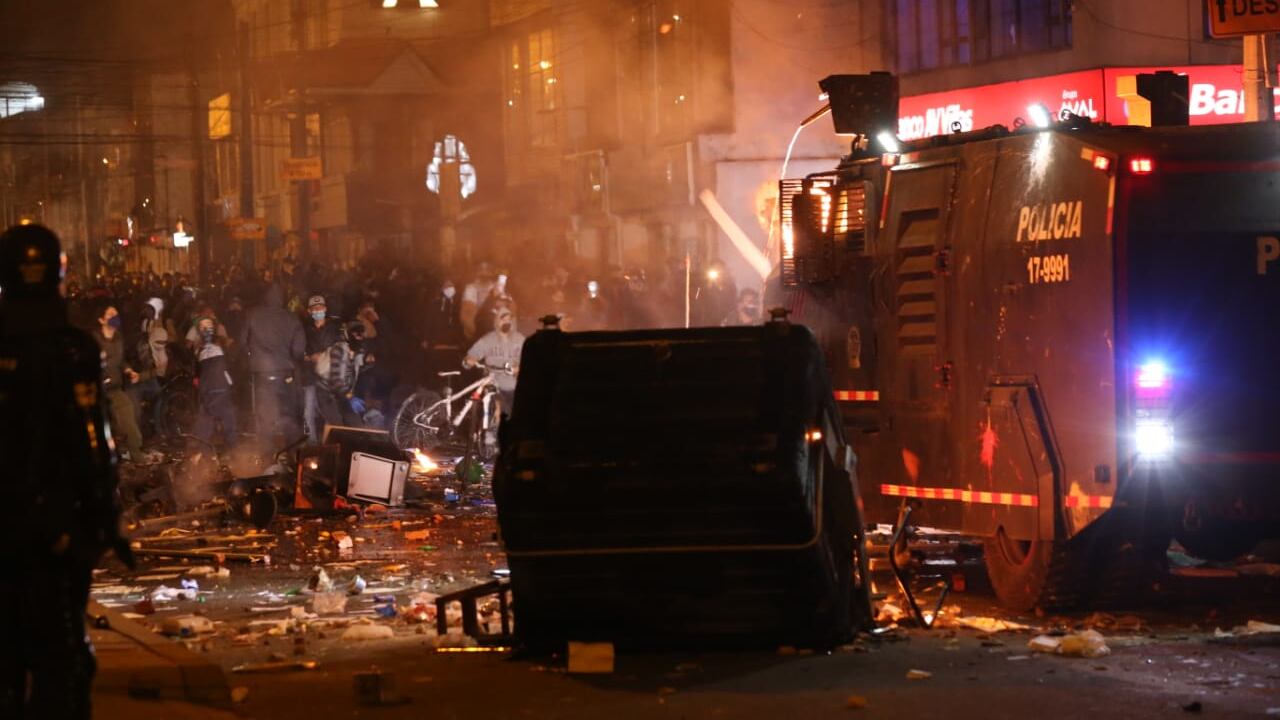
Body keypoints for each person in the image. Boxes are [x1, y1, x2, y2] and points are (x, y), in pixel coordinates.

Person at [0, 223, 134, 718]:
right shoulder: (71, 348)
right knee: (61, 656)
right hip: (57, 524)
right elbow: (93, 441)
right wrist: (107, 516)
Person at [238, 284, 304, 453]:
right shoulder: (291, 318)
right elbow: (299, 350)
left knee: (265, 418)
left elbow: (242, 342)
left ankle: (267, 459)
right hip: (285, 374)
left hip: (262, 374)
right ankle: (294, 456)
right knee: (288, 417)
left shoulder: (253, 314)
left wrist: (253, 356)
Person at [92, 302, 150, 463]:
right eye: (110, 315)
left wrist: (129, 371)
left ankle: (136, 454)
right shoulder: (94, 340)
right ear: (101, 320)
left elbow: (121, 360)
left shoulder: (118, 337)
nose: (115, 318)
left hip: (114, 388)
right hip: (97, 391)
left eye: (116, 314)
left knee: (128, 412)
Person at [463, 307, 525, 426]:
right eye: (503, 319)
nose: (506, 322)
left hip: (515, 385)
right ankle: (491, 432)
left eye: (509, 320)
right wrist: (468, 361)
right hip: (494, 384)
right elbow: (470, 357)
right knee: (498, 411)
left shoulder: (520, 339)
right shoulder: (488, 340)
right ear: (496, 321)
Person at [193, 315, 237, 449]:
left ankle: (233, 450)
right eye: (202, 326)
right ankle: (202, 452)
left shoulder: (223, 343)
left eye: (208, 324)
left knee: (228, 418)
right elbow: (198, 370)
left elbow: (233, 361)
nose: (206, 328)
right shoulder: (198, 349)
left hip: (221, 386)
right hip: (207, 388)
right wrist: (198, 382)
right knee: (205, 421)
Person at [302, 295, 342, 443]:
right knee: (308, 412)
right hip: (310, 376)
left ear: (325, 309)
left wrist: (325, 356)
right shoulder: (305, 330)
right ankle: (312, 446)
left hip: (329, 378)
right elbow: (299, 351)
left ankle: (331, 444)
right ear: (309, 311)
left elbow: (341, 350)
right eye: (314, 308)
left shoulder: (334, 329)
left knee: (330, 413)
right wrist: (310, 357)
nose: (318, 311)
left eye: (320, 308)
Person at [460, 261, 497, 340]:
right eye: (481, 269)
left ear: (491, 272)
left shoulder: (498, 288)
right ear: (477, 271)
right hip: (475, 333)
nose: (484, 272)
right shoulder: (470, 288)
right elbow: (465, 315)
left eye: (487, 269)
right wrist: (475, 332)